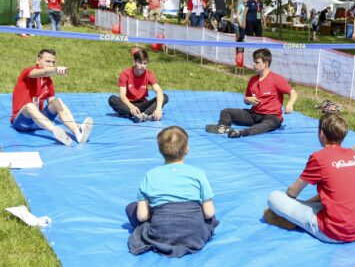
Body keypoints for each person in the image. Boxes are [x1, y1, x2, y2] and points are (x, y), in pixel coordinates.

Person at [264, 113, 355, 243]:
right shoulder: (353, 155)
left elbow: (293, 191)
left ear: (321, 134)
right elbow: (335, 192)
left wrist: (286, 207)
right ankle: (297, 215)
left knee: (274, 196)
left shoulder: (319, 157)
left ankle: (290, 219)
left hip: (334, 232)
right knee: (332, 197)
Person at [126, 126, 219, 257]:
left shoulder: (151, 175)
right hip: (194, 233)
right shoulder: (198, 173)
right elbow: (209, 213)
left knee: (131, 208)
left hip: (161, 233)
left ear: (160, 150)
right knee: (206, 216)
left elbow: (142, 216)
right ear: (186, 149)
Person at [205, 48, 297, 138]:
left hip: (271, 117)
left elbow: (293, 92)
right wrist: (247, 99)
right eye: (254, 62)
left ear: (266, 64)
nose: (253, 64)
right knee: (226, 111)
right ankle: (223, 128)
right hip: (254, 114)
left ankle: (241, 132)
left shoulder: (276, 79)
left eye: (257, 62)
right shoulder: (253, 80)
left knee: (268, 124)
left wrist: (290, 104)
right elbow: (246, 99)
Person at [10, 49, 93, 146]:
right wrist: (56, 69)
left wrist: (61, 115)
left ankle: (77, 131)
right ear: (38, 60)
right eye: (48, 61)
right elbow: (43, 72)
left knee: (57, 101)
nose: (51, 64)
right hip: (21, 122)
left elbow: (52, 103)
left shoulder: (48, 81)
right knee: (29, 106)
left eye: (53, 62)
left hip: (39, 122)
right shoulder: (28, 72)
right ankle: (57, 132)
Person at [108, 49, 168, 122]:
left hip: (142, 105)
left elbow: (159, 91)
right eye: (140, 63)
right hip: (128, 104)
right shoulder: (125, 74)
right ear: (134, 62)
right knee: (112, 99)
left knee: (164, 96)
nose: (142, 66)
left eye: (145, 63)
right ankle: (141, 115)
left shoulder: (149, 74)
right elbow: (122, 96)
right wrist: (131, 107)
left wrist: (158, 109)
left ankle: (144, 115)